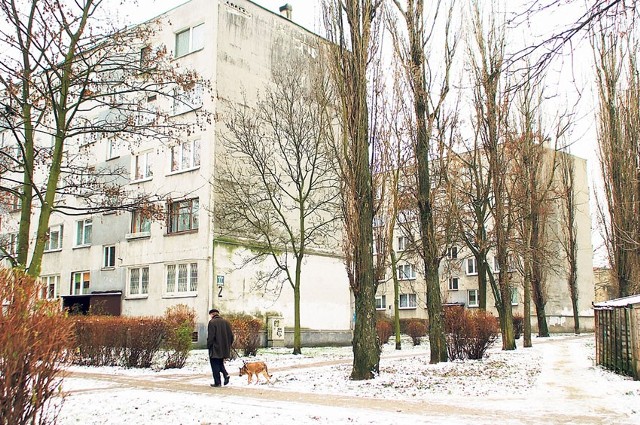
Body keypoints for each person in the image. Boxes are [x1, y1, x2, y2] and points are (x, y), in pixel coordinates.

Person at [207, 308, 234, 387]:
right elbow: (231, 336)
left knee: (214, 365)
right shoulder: (226, 322)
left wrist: (209, 346)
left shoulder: (212, 322)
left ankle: (217, 382)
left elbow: (211, 336)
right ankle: (225, 374)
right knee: (219, 363)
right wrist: (228, 345)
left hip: (215, 348)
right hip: (224, 348)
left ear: (212, 314)